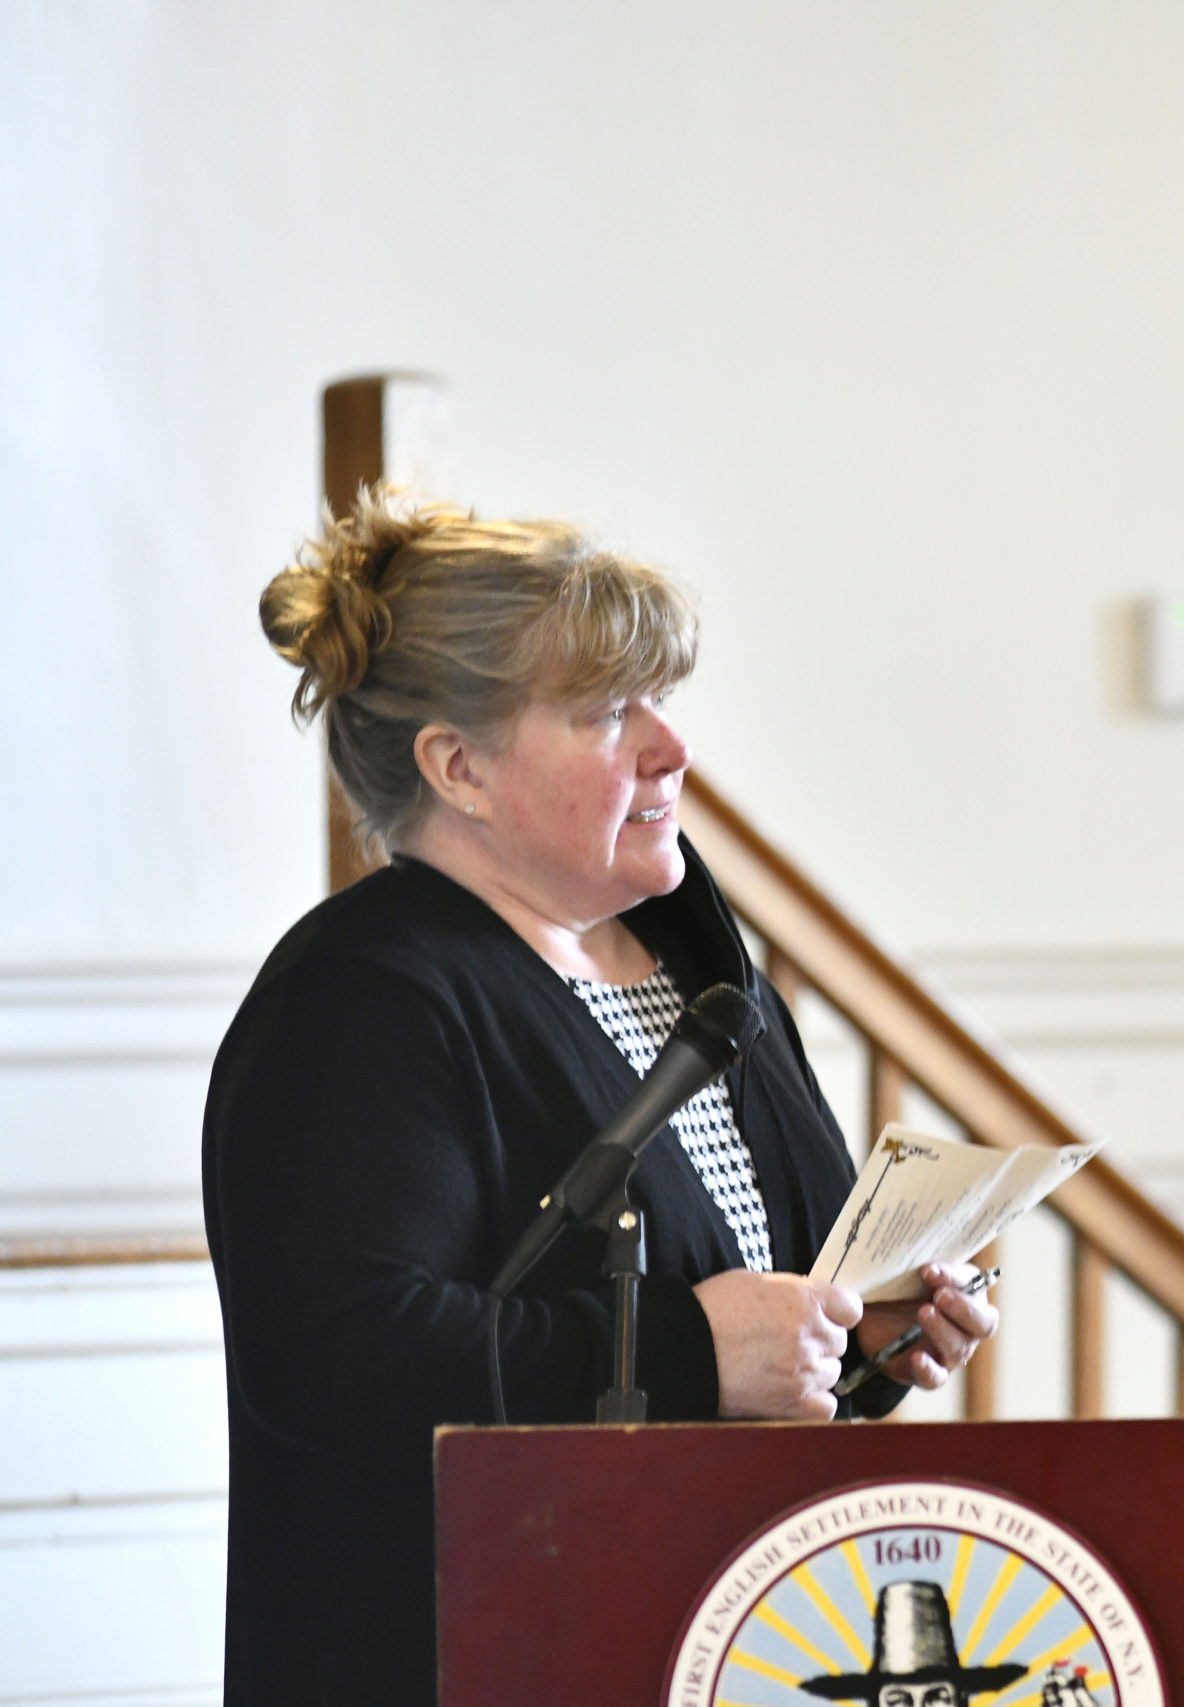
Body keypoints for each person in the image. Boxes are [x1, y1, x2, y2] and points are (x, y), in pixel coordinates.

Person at [204, 488, 998, 1706]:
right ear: (457, 767)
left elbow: (759, 1319)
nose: (670, 749)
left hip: (714, 1641)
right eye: (605, 713)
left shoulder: (702, 972)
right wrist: (697, 1348)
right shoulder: (364, 998)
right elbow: (336, 1362)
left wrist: (863, 1341)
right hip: (461, 1656)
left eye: (661, 702)